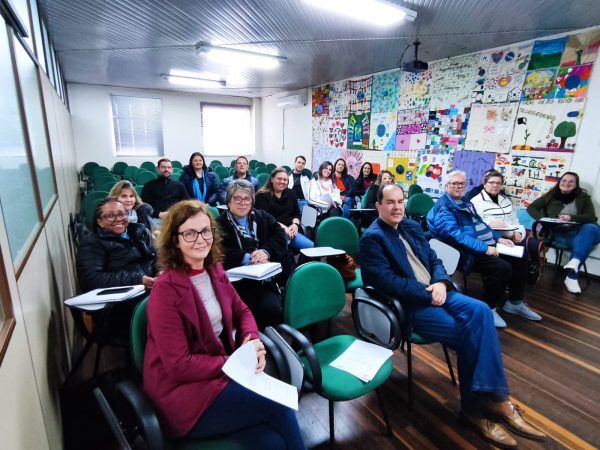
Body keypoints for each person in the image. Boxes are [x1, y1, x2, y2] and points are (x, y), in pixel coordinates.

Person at [360, 184, 546, 448]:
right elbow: (387, 282)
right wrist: (429, 293)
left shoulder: (411, 227)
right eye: (390, 202)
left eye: (400, 201)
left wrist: (441, 283)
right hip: (413, 304)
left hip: (438, 290)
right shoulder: (372, 238)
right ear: (378, 206)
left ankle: (497, 402)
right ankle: (479, 409)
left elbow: (435, 260)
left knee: (481, 310)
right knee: (470, 336)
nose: (397, 207)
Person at [144, 200, 304, 448]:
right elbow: (179, 366)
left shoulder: (214, 269)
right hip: (183, 395)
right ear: (174, 239)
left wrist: (252, 340)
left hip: (219, 374)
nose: (201, 239)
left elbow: (242, 311)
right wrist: (237, 361)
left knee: (273, 442)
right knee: (280, 403)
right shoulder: (165, 291)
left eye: (206, 230)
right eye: (190, 233)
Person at [427, 171, 540, 327]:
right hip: (465, 252)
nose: (459, 187)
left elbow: (481, 224)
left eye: (462, 183)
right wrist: (485, 248)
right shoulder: (444, 208)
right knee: (502, 267)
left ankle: (514, 302)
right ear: (446, 186)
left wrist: (498, 238)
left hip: (483, 245)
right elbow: (457, 236)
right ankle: (489, 307)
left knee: (521, 257)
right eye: (455, 183)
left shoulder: (465, 201)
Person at [216, 179, 292, 328]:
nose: (242, 202)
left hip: (264, 277)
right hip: (236, 282)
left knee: (272, 310)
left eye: (247, 198)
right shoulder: (219, 223)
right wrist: (245, 258)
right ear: (228, 201)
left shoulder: (262, 216)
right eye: (237, 198)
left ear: (252, 201)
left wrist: (266, 251)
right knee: (250, 313)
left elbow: (280, 236)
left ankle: (269, 342)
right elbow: (218, 250)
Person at [527, 172, 600, 294]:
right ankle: (572, 276)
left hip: (580, 234)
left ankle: (574, 264)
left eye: (571, 181)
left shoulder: (583, 198)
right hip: (557, 233)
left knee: (590, 228)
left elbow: (591, 217)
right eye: (564, 180)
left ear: (576, 184)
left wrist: (572, 217)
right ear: (559, 182)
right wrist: (542, 219)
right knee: (583, 243)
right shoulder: (550, 195)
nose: (567, 183)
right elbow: (531, 208)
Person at [76, 198, 156, 292]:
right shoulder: (92, 242)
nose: (118, 219)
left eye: (122, 214)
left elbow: (153, 259)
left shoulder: (140, 232)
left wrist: (159, 271)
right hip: (119, 298)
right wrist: (138, 279)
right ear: (100, 222)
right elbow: (91, 280)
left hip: (150, 288)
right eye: (110, 216)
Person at [255, 167, 314, 251]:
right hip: (272, 231)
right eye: (279, 179)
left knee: (310, 247)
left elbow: (296, 213)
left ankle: (300, 264)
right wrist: (283, 228)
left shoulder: (291, 193)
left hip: (291, 230)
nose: (282, 182)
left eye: (285, 180)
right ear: (272, 179)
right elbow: (265, 219)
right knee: (284, 254)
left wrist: (295, 224)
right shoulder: (261, 196)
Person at [470, 170, 525, 244]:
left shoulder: (506, 200)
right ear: (485, 184)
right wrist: (489, 223)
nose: (495, 185)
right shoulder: (476, 201)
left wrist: (518, 232)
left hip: (512, 236)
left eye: (498, 183)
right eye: (491, 182)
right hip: (491, 238)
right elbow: (474, 223)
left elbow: (514, 219)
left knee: (531, 248)